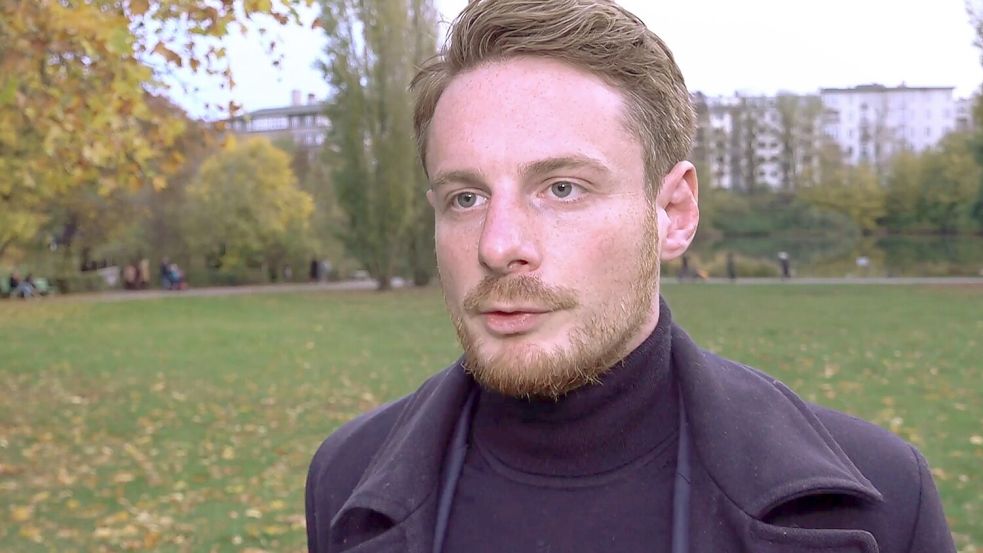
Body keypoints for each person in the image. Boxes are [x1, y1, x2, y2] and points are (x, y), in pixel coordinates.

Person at [305, 2, 954, 552]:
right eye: (465, 198)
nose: (499, 245)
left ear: (673, 212)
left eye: (561, 187)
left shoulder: (876, 501)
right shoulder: (346, 481)